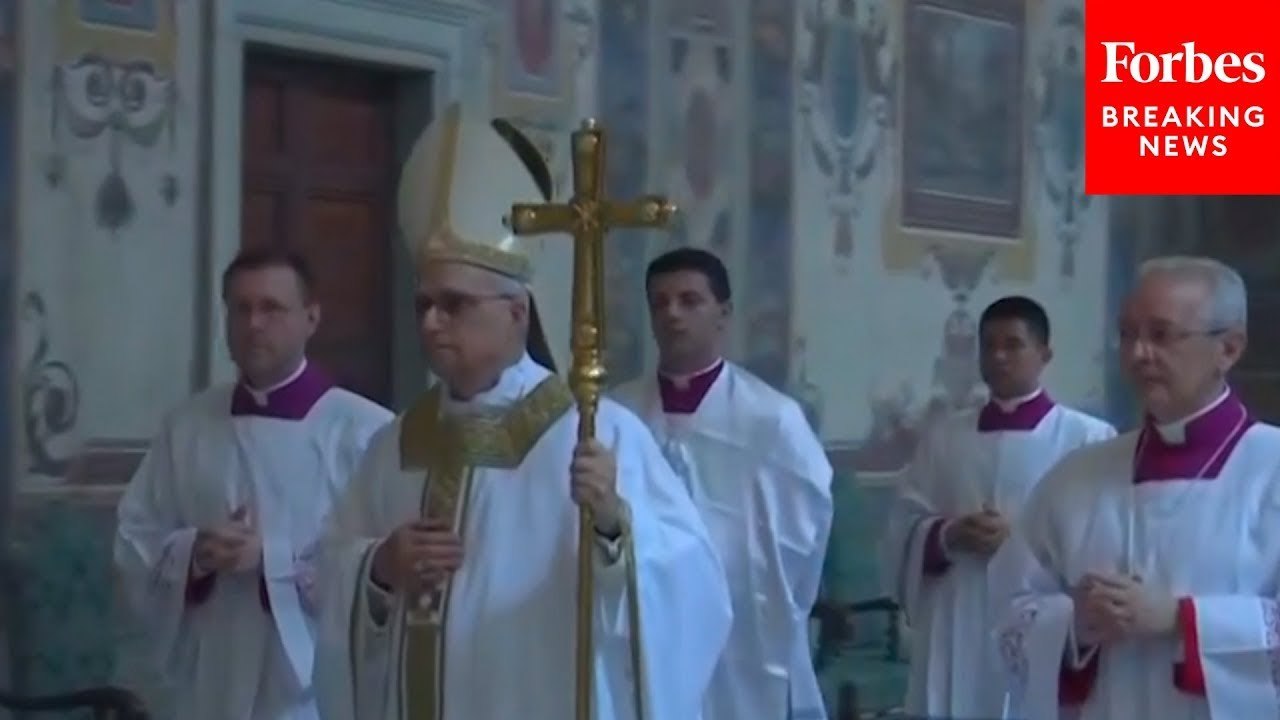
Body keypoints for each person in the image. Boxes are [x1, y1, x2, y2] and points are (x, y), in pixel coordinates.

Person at [311, 103, 732, 720]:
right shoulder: (395, 444)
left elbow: (696, 591)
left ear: (515, 313)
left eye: (454, 304)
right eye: (424, 304)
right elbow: (331, 564)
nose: (431, 322)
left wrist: (614, 526)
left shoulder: (596, 434)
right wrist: (379, 566)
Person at [991, 256, 1280, 719]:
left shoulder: (1271, 468)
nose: (1138, 354)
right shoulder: (1076, 476)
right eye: (1127, 334)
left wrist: (1180, 620)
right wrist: (1073, 625)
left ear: (1229, 348)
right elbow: (1009, 610)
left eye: (1162, 335)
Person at [113, 249, 394, 720]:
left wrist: (273, 561)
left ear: (311, 317)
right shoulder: (187, 427)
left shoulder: (367, 433)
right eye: (240, 308)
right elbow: (133, 541)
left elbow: (382, 568)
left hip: (312, 688)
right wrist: (194, 553)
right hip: (209, 678)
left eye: (271, 308)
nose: (254, 323)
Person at [611, 247, 833, 720]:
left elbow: (803, 539)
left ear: (723, 314)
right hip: (645, 618)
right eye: (660, 302)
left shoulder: (773, 421)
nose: (672, 313)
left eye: (690, 300)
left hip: (743, 631)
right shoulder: (617, 414)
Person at [880, 295, 1115, 718]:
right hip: (958, 612)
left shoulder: (1089, 440)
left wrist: (1020, 543)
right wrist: (948, 534)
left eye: (1013, 344)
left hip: (1040, 617)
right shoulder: (944, 436)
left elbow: (1104, 540)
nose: (998, 356)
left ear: (1045, 354)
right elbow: (906, 520)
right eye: (988, 346)